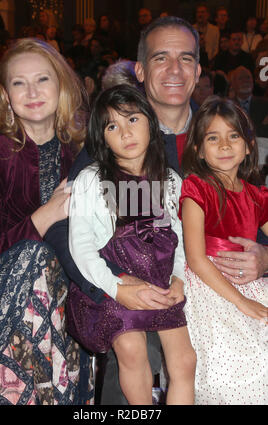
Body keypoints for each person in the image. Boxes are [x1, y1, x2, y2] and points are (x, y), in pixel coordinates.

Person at [45, 15, 268, 404]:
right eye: (161, 58)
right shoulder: (115, 141)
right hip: (138, 286)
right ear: (141, 70)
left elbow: (246, 205)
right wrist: (114, 284)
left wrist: (265, 257)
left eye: (185, 58)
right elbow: (64, 225)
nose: (175, 69)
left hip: (209, 285)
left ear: (198, 69)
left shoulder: (219, 130)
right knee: (134, 353)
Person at [0, 38, 93, 405]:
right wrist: (45, 215)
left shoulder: (85, 151)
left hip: (71, 294)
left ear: (62, 86)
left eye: (43, 79)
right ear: (6, 96)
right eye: (19, 83)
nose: (32, 91)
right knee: (36, 255)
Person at [67, 84, 196, 405]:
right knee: (132, 349)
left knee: (184, 360)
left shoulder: (170, 181)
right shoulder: (92, 180)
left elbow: (179, 238)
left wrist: (179, 277)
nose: (125, 132)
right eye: (113, 126)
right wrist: (115, 285)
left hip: (162, 283)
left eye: (133, 119)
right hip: (113, 286)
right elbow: (81, 246)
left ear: (151, 124)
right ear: (102, 137)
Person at [180, 95, 268, 404]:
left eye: (234, 136)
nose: (225, 145)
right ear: (198, 149)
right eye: (213, 138)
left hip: (250, 283)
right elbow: (195, 258)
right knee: (233, 366)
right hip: (210, 288)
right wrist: (242, 302)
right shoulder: (196, 189)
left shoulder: (256, 195)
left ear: (248, 146)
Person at [230, 65, 268, 138]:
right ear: (233, 84)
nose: (245, 81)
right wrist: (261, 126)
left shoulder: (265, 105)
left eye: (248, 77)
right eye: (240, 78)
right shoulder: (228, 106)